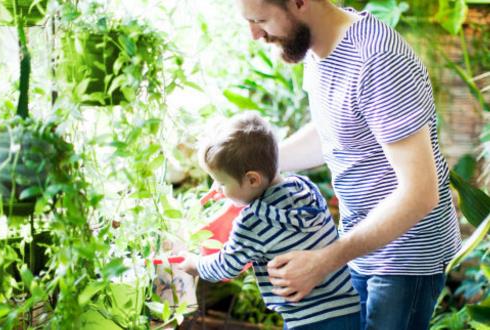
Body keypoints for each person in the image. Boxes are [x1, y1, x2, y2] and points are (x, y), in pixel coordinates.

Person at [233, 1, 462, 329]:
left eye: (261, 20)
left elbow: (420, 194)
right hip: (361, 243)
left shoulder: (377, 59)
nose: (255, 34)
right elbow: (336, 131)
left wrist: (325, 260)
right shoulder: (318, 47)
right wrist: (247, 171)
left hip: (404, 258)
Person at [180, 111, 360, 329]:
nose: (217, 188)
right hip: (350, 309)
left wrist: (192, 263)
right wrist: (232, 190)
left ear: (252, 179)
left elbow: (225, 267)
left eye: (221, 183)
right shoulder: (304, 187)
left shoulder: (253, 222)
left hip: (308, 320)